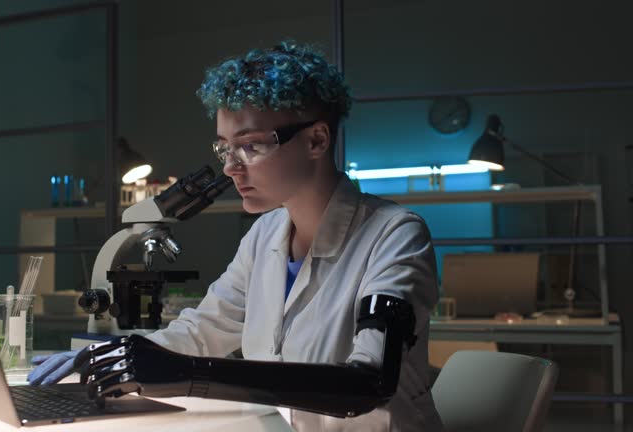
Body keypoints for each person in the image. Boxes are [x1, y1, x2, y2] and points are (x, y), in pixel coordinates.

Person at [29, 40, 443, 431]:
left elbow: (368, 383)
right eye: (225, 148)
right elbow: (202, 330)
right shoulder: (264, 236)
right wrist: (103, 356)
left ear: (316, 140)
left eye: (250, 146)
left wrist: (187, 375)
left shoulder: (395, 235)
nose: (230, 167)